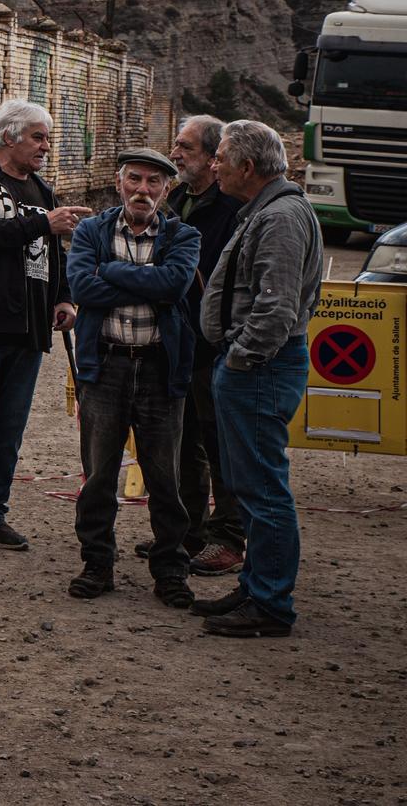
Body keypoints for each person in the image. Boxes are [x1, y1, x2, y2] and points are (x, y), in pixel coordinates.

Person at [0, 100, 90, 563]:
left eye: (47, 137)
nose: (46, 146)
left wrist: (63, 297)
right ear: (10, 137)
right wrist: (43, 223)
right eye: (38, 137)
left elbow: (54, 254)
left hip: (28, 330)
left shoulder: (42, 190)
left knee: (8, 430)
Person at [194, 119, 324, 640]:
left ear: (247, 167)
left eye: (221, 158)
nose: (213, 165)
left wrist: (240, 360)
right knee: (251, 487)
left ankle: (270, 603)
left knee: (264, 490)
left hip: (260, 371)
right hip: (254, 369)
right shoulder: (269, 210)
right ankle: (256, 587)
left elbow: (276, 306)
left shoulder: (282, 218)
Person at [64, 149, 203, 609]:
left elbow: (174, 285)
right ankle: (97, 564)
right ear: (119, 182)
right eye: (135, 180)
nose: (143, 190)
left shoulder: (185, 235)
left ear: (168, 189)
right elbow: (82, 288)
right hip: (105, 367)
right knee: (99, 474)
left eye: (154, 183)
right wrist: (148, 279)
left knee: (165, 477)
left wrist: (113, 273)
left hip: (162, 368)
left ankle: (169, 570)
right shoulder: (91, 231)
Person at [158, 114, 246, 576]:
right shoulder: (176, 199)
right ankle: (188, 534)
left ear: (215, 159)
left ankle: (229, 538)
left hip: (216, 345)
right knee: (184, 440)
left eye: (185, 147)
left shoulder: (233, 209)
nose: (175, 155)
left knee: (220, 443)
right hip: (179, 342)